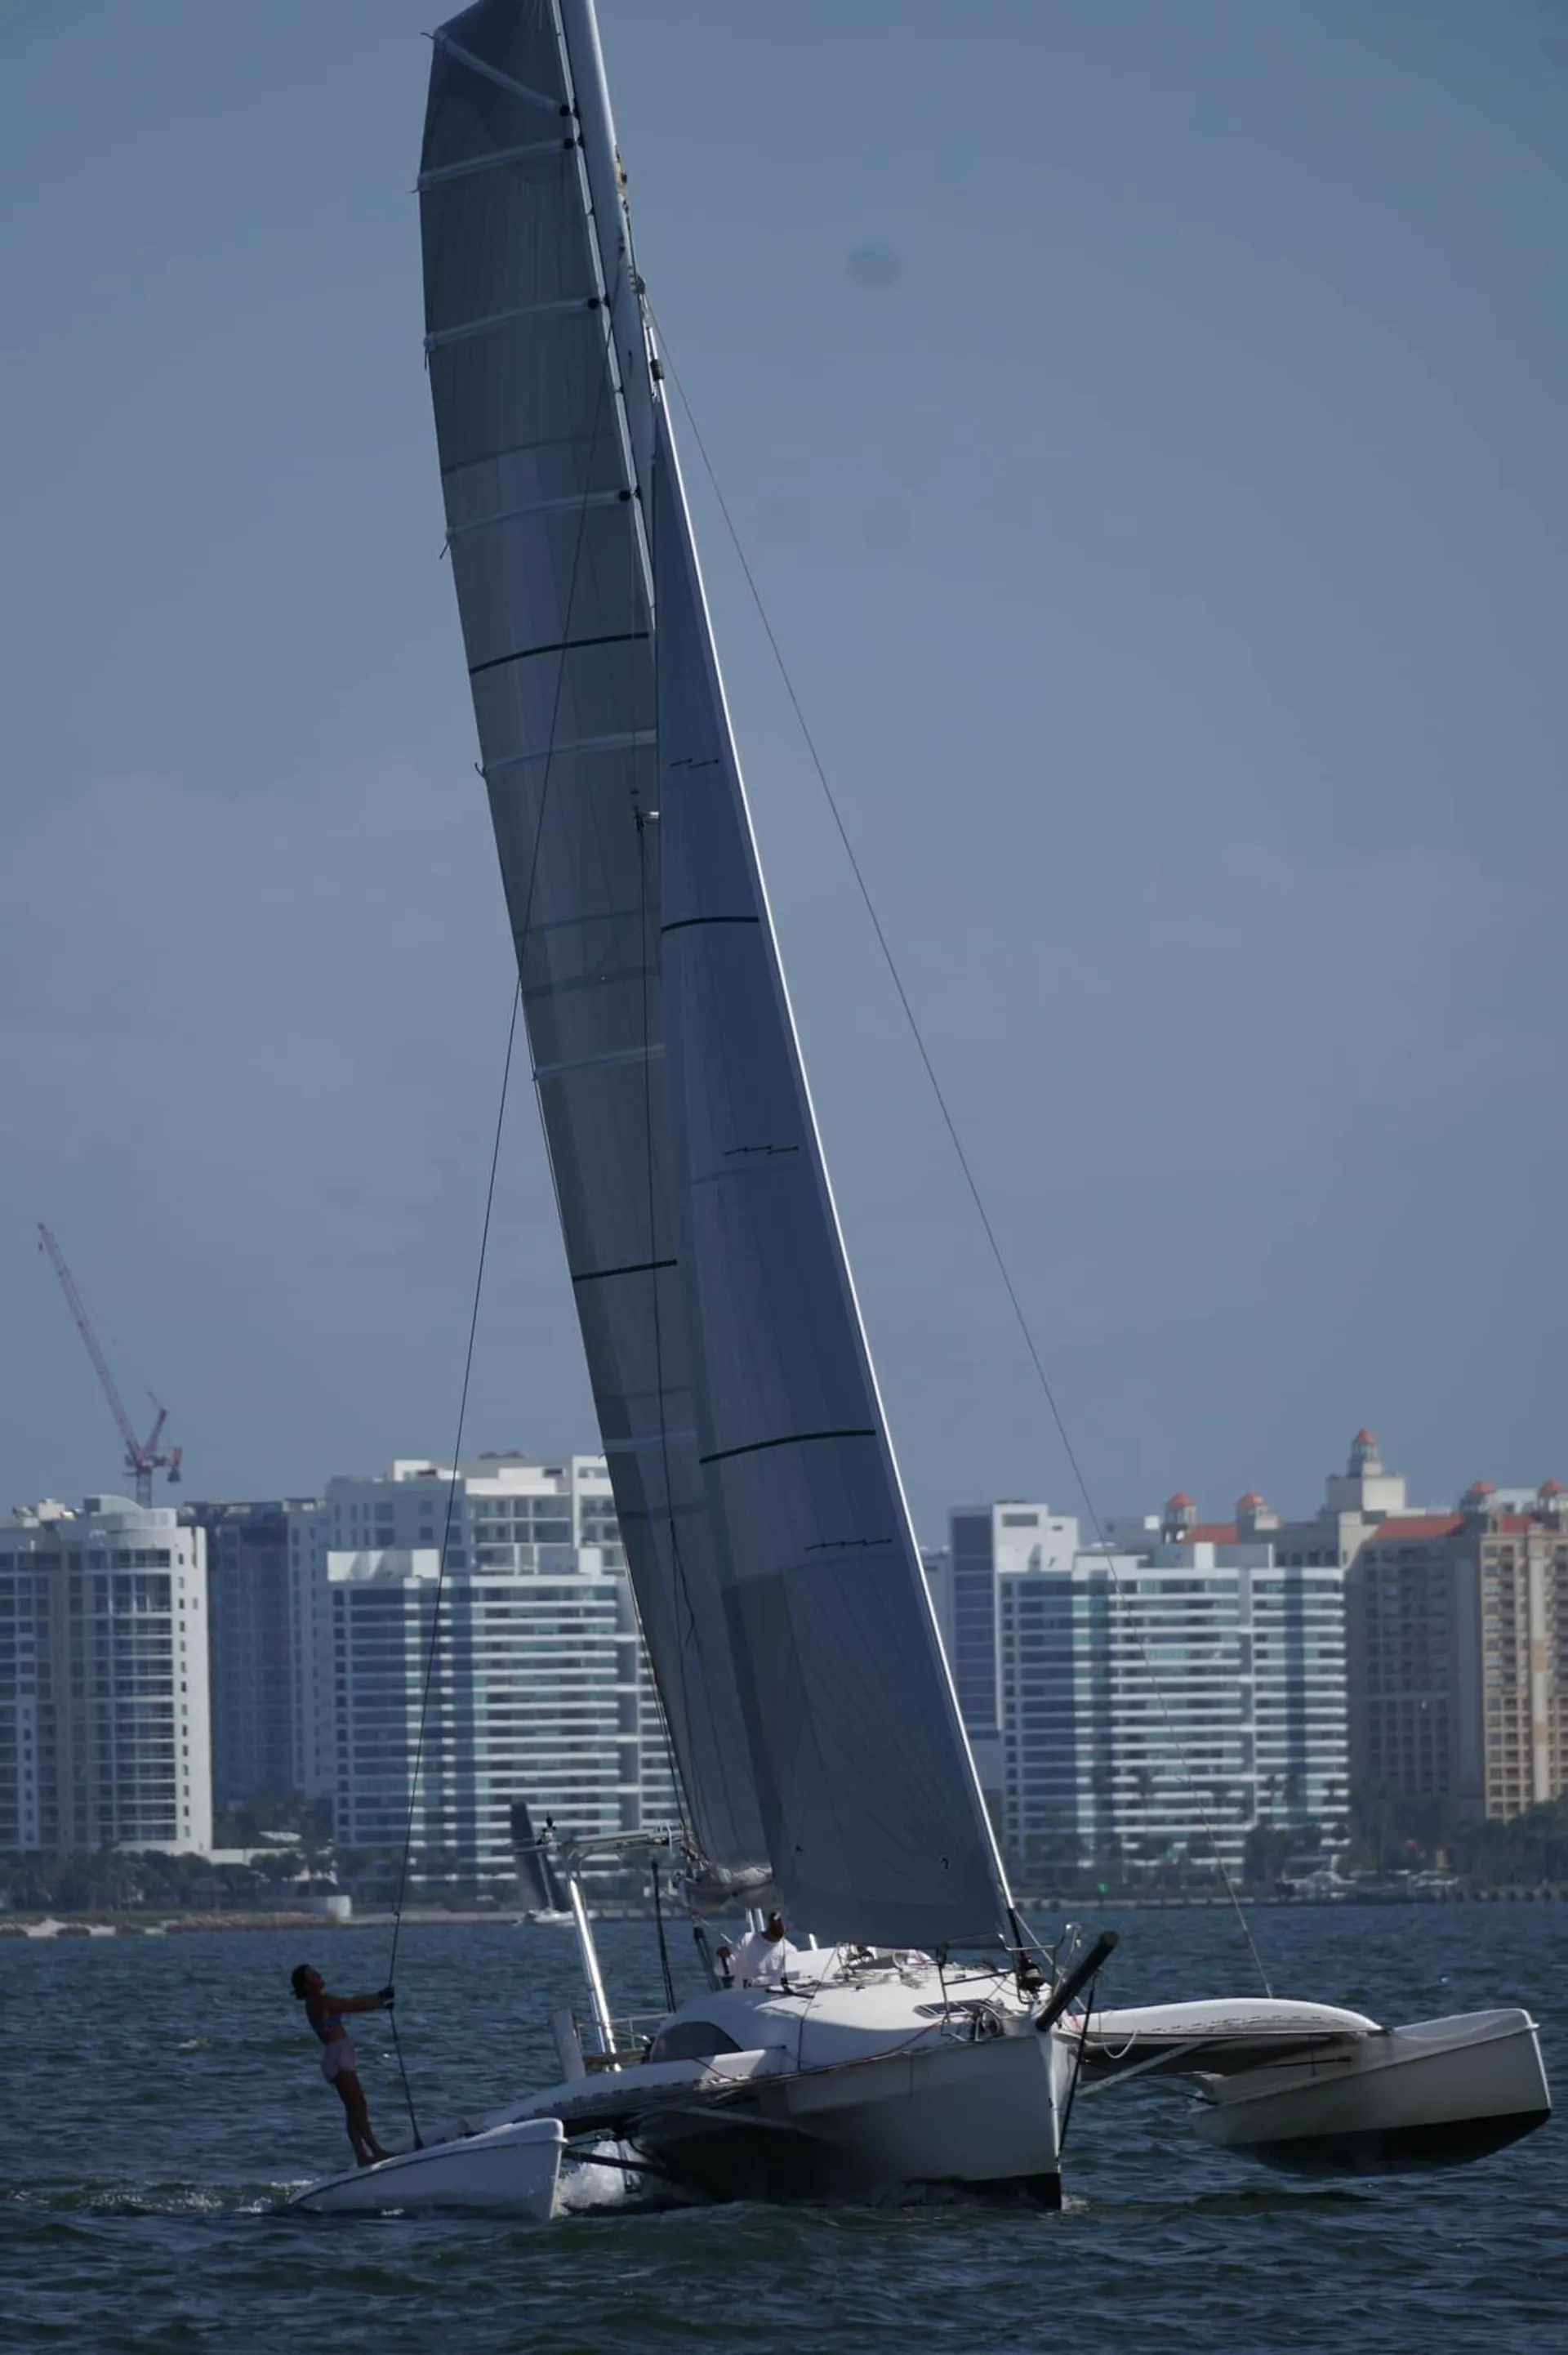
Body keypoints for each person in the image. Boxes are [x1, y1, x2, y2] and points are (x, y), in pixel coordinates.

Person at [291, 1963, 396, 2167]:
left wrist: (379, 1999)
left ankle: (362, 2156)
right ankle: (376, 2151)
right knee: (358, 2106)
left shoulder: (318, 2000)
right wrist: (380, 2000)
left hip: (339, 2055)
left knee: (353, 2107)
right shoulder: (320, 2000)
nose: (319, 1975)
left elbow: (351, 2003)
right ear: (306, 1986)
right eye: (313, 1975)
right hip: (337, 2056)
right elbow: (351, 2005)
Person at [728, 1909, 796, 1988]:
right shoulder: (746, 1941)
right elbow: (722, 1971)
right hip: (744, 1996)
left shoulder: (790, 1950)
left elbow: (791, 1980)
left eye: (785, 1923)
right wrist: (724, 1958)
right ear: (771, 1922)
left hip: (774, 1997)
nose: (782, 1926)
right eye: (779, 1921)